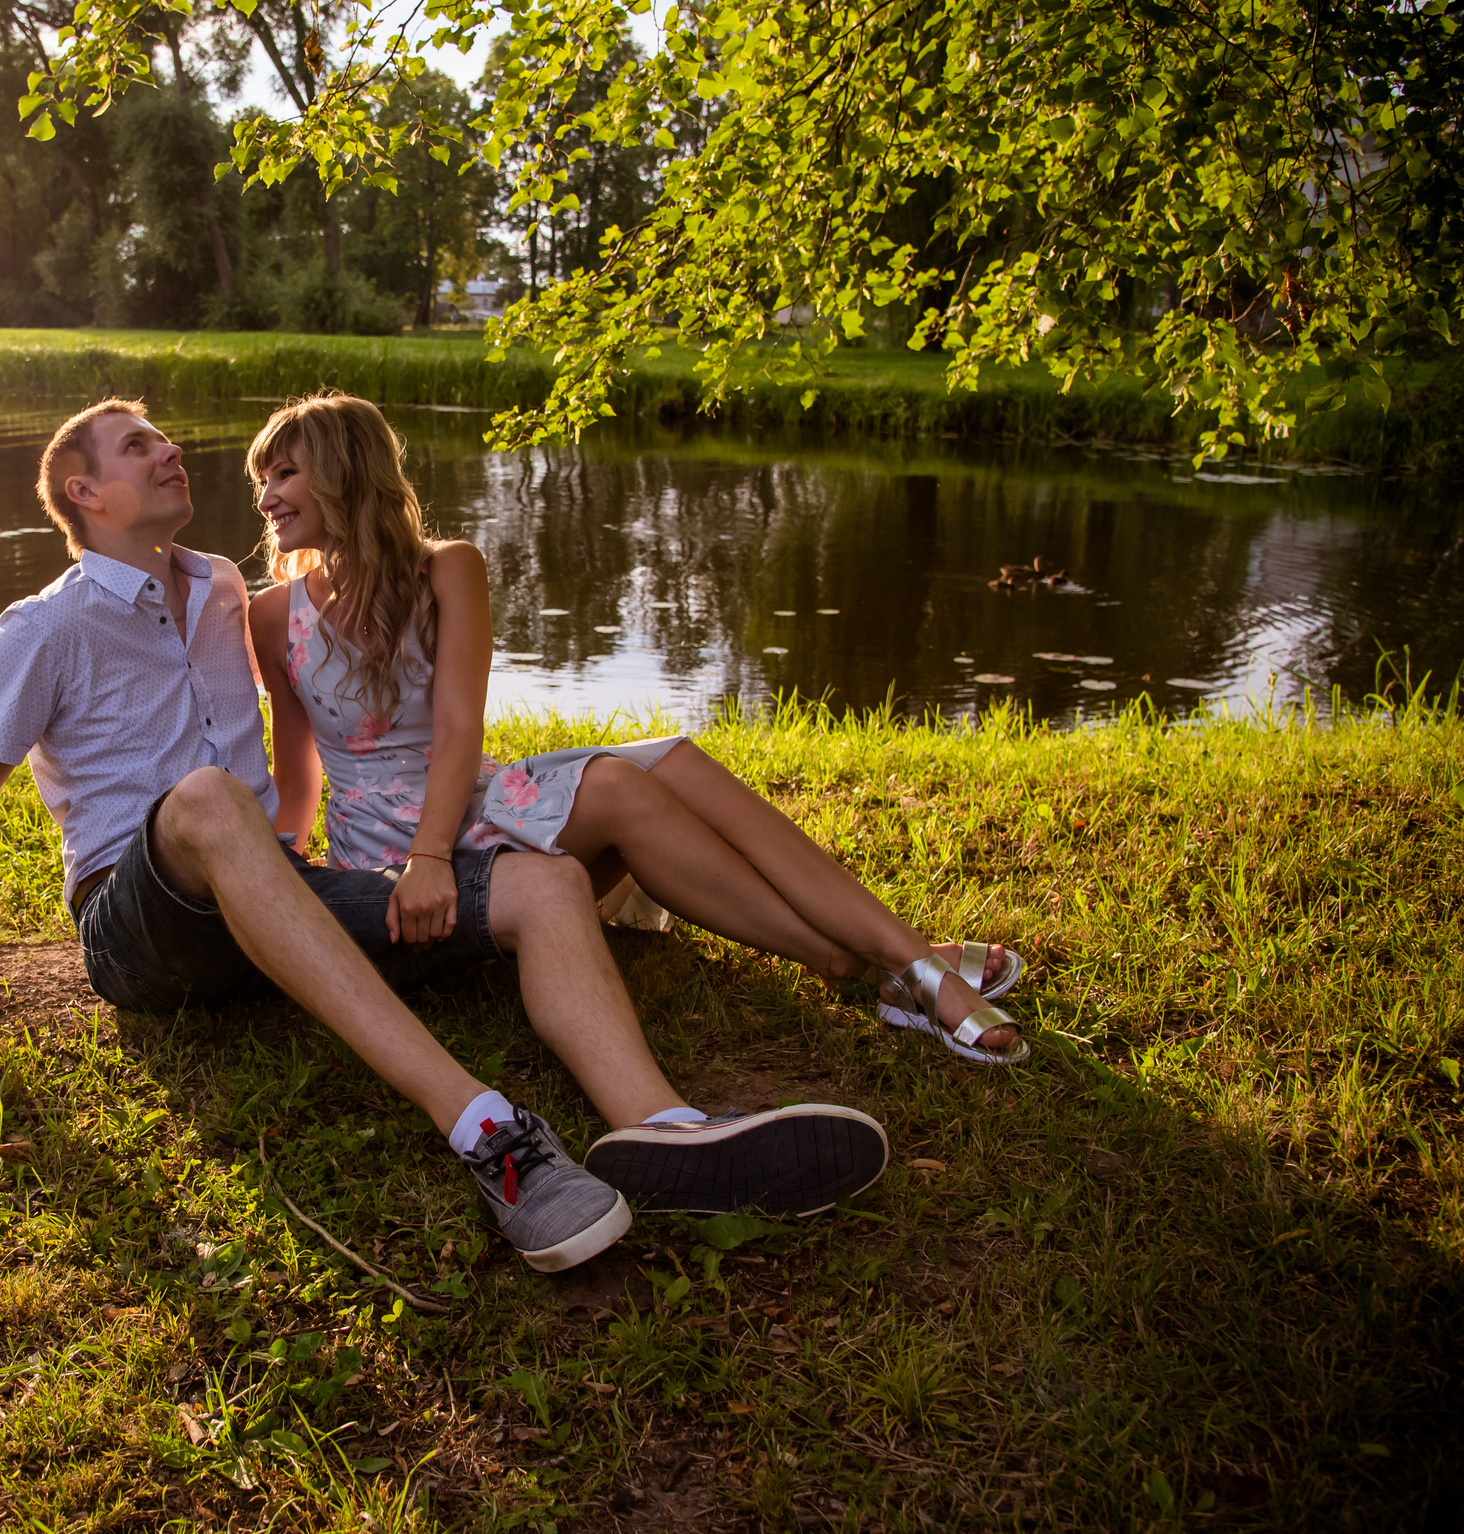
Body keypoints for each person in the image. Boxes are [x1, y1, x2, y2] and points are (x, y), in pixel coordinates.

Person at [0, 398, 891, 1272]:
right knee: (210, 797)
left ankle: (664, 1127)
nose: (170, 451)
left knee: (545, 880)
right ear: (88, 493)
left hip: (275, 891)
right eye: (137, 446)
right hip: (142, 919)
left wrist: (353, 842)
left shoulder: (222, 587)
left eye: (162, 436)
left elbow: (310, 723)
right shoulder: (45, 627)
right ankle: (489, 1133)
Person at [244, 392, 1028, 1067]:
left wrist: (434, 851)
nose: (267, 496)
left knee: (671, 760)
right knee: (620, 781)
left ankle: (904, 965)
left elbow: (457, 728)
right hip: (387, 851)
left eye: (284, 472)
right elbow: (299, 768)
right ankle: (895, 965)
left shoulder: (446, 568)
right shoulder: (274, 614)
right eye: (262, 479)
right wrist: (282, 879)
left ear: (347, 471)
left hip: (460, 815)